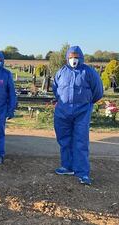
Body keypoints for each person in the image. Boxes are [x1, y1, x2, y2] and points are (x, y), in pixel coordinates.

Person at [53, 46, 103, 185]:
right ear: (67, 57)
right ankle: (67, 166)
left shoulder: (89, 72)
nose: (73, 59)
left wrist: (85, 103)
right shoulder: (61, 72)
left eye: (76, 57)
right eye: (71, 57)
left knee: (80, 141)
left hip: (82, 112)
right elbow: (55, 89)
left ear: (81, 57)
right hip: (63, 112)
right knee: (64, 139)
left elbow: (98, 91)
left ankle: (82, 172)